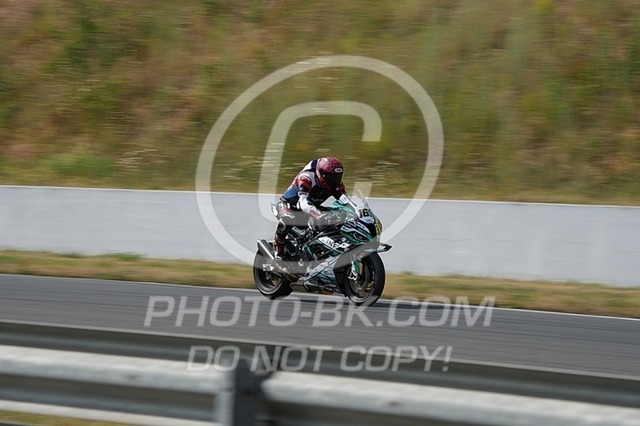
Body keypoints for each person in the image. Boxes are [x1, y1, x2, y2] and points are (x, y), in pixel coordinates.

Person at [273, 156, 348, 259]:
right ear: (321, 174)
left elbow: (346, 201)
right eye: (331, 177)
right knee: (287, 220)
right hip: (291, 205)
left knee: (338, 217)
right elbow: (302, 202)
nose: (335, 180)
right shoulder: (307, 178)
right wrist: (318, 215)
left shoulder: (336, 184)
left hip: (312, 207)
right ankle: (278, 251)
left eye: (338, 176)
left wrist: (358, 211)